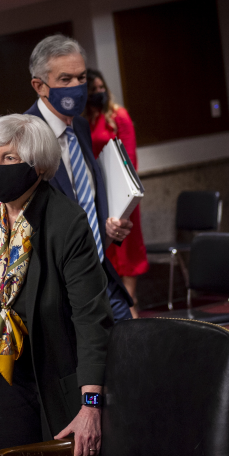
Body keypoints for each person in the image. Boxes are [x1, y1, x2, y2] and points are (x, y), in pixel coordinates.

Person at [0, 114, 114, 456]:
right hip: (2, 370)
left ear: (37, 165)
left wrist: (92, 403)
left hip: (58, 369)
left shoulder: (66, 221)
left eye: (9, 158)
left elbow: (91, 318)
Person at [25, 34, 134, 321]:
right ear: (40, 86)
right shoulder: (21, 139)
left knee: (132, 354)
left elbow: (82, 197)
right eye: (65, 79)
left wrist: (107, 226)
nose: (77, 87)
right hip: (61, 289)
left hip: (101, 274)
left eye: (81, 77)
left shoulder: (82, 127)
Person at [85, 69, 149, 319]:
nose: (99, 92)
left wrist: (124, 192)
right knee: (108, 247)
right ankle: (116, 301)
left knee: (127, 247)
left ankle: (131, 303)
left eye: (102, 87)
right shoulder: (83, 120)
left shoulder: (117, 115)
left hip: (123, 192)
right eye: (93, 89)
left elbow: (130, 156)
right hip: (99, 195)